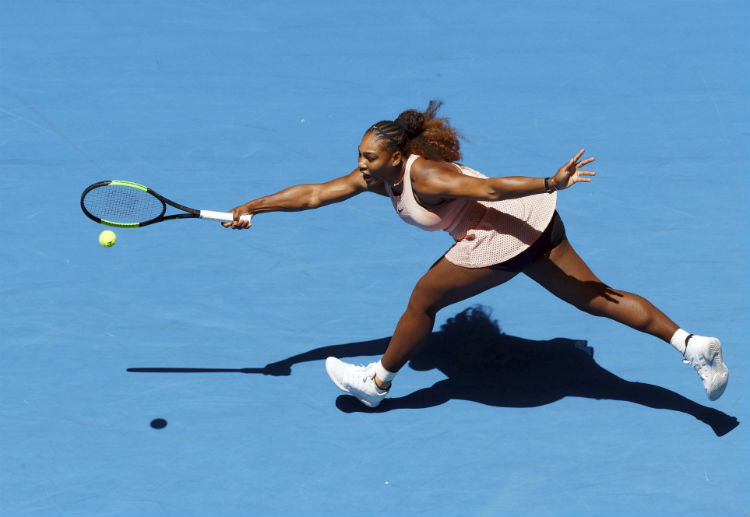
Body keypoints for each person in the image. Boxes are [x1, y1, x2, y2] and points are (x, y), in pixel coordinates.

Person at [223, 100, 729, 408]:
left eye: (369, 157)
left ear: (397, 157)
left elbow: (488, 191)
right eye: (360, 154)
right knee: (595, 297)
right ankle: (691, 343)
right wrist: (254, 206)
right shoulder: (379, 177)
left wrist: (552, 181)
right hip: (534, 221)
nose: (360, 164)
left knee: (423, 301)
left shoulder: (426, 175)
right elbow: (313, 194)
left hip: (500, 231)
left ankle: (377, 380)